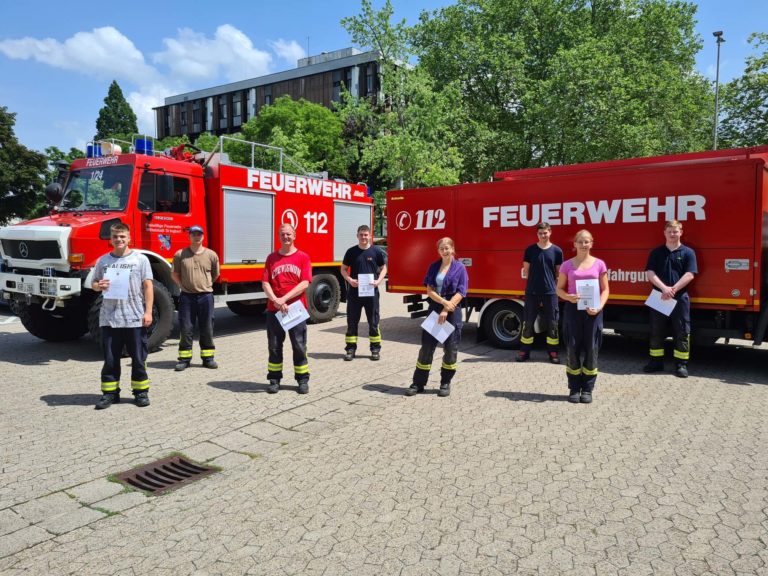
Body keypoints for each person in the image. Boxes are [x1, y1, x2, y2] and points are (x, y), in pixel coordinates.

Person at [91, 222, 154, 410]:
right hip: (109, 318)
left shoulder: (140, 260)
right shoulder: (103, 261)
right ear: (110, 240)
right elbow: (94, 284)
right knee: (110, 359)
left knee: (138, 358)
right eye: (115, 237)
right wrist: (98, 286)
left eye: (122, 236)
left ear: (129, 238)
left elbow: (148, 286)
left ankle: (141, 392)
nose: (119, 239)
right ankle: (110, 394)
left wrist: (148, 311)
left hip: (134, 317)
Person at [406, 237, 469, 398]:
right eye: (441, 248)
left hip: (452, 312)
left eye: (447, 247)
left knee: (450, 348)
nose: (444, 250)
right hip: (435, 308)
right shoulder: (434, 266)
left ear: (452, 249)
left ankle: (445, 383)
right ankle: (418, 383)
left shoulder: (460, 268)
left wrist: (446, 309)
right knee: (427, 347)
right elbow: (429, 290)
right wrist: (442, 304)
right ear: (438, 251)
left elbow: (461, 292)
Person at [556, 229, 609, 404]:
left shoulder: (599, 264)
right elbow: (559, 289)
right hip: (573, 310)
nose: (584, 245)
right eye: (580, 242)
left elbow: (605, 290)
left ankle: (587, 388)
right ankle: (573, 387)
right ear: (575, 244)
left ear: (591, 243)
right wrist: (567, 297)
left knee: (592, 349)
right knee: (572, 348)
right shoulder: (567, 265)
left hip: (593, 313)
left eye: (587, 241)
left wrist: (599, 307)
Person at [644, 220, 698, 378]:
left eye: (676, 231)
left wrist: (673, 289)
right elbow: (650, 273)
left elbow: (690, 274)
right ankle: (655, 361)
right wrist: (664, 288)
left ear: (681, 232)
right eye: (670, 231)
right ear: (664, 233)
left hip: (679, 297)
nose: (673, 234)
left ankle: (681, 365)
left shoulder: (688, 252)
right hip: (659, 295)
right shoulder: (656, 252)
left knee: (682, 331)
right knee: (656, 330)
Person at [262, 224, 312, 394]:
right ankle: (274, 379)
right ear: (279, 236)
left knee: (299, 345)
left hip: (295, 310)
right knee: (274, 346)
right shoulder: (271, 258)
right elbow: (265, 282)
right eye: (283, 234)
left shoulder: (303, 257)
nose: (286, 237)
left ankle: (302, 380)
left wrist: (283, 298)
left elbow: (305, 283)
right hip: (274, 310)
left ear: (295, 235)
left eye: (288, 234)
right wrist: (275, 300)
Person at [172, 225, 221, 371]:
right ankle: (184, 359)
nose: (196, 236)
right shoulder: (180, 254)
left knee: (207, 327)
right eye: (193, 234)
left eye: (199, 234)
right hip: (187, 297)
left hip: (206, 296)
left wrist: (206, 285)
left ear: (203, 236)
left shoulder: (211, 255)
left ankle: (208, 358)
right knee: (186, 328)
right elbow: (174, 274)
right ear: (189, 236)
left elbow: (215, 274)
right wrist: (182, 285)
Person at [340, 225, 388, 361]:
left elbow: (384, 268)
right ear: (357, 236)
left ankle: (375, 349)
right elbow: (343, 269)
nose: (364, 237)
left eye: (366, 235)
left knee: (373, 322)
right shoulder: (351, 252)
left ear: (370, 236)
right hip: (354, 293)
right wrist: (349, 280)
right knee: (352, 322)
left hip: (371, 293)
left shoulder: (376, 251)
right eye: (361, 235)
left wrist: (378, 281)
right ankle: (350, 349)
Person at [517, 222, 563, 363]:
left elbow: (558, 273)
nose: (543, 235)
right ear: (537, 234)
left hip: (550, 292)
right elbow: (526, 271)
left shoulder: (557, 251)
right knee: (528, 322)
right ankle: (524, 352)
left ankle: (553, 353)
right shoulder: (530, 250)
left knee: (553, 323)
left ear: (550, 232)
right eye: (540, 233)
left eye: (545, 232)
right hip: (532, 291)